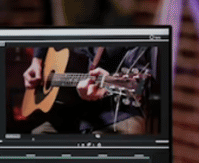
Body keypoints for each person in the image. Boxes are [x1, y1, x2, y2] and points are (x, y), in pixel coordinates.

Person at [23, 46, 154, 134]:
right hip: (69, 113)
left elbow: (144, 75)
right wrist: (37, 60)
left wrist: (104, 85)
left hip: (115, 111)